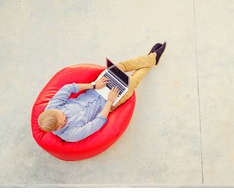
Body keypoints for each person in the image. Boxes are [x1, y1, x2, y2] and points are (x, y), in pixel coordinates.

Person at [38, 42, 166, 142]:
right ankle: (151, 59)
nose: (63, 112)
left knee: (119, 67)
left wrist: (93, 85)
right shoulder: (71, 135)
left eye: (60, 111)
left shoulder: (52, 109)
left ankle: (151, 59)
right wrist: (110, 100)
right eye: (63, 117)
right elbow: (98, 122)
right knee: (131, 82)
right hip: (108, 104)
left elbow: (68, 88)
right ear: (60, 126)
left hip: (97, 89)